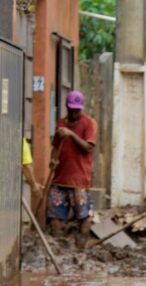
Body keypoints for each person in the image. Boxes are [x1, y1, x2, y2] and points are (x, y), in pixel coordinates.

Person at [49, 91, 98, 248]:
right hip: (59, 179)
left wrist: (71, 134)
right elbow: (55, 146)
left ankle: (80, 249)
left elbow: (88, 147)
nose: (75, 112)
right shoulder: (61, 123)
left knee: (84, 216)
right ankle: (58, 250)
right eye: (72, 109)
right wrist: (53, 159)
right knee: (54, 216)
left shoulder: (88, 123)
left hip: (79, 180)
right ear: (67, 107)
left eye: (78, 109)